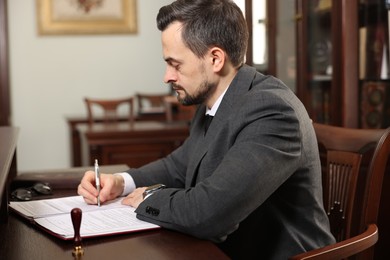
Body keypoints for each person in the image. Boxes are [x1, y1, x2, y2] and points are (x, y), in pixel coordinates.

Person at [78, 0, 335, 258]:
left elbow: (209, 215)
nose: (167, 77)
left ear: (215, 59)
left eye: (175, 64)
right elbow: (178, 167)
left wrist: (147, 199)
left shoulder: (273, 112)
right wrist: (120, 182)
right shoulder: (211, 103)